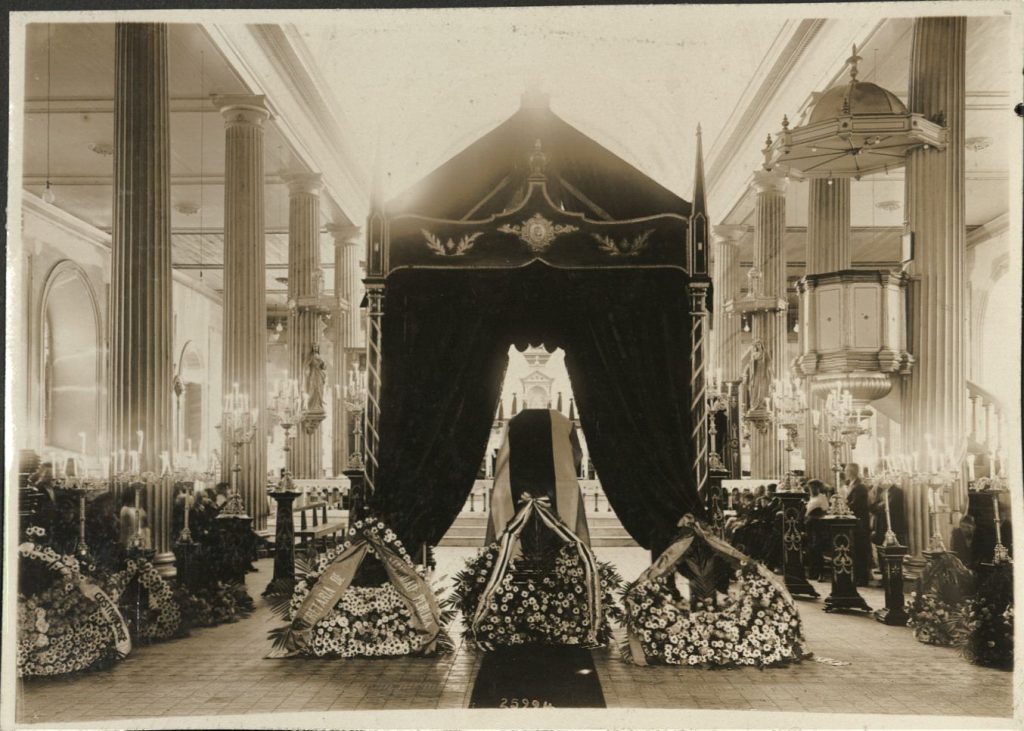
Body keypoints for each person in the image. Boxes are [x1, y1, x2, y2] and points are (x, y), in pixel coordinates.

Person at [844, 463, 871, 586]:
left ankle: (862, 578)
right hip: (856, 522)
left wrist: (844, 507)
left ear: (851, 472)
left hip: (860, 523)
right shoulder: (852, 484)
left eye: (846, 470)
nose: (845, 473)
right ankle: (858, 576)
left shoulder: (860, 487)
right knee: (856, 550)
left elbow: (856, 504)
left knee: (861, 550)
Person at [870, 480, 908, 546]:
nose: (879, 483)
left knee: (893, 548)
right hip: (881, 526)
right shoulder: (881, 491)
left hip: (892, 525)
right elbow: (872, 507)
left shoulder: (897, 491)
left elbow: (888, 506)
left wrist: (879, 505)